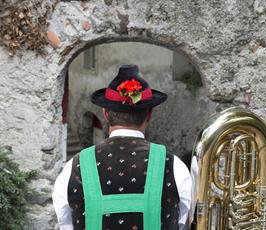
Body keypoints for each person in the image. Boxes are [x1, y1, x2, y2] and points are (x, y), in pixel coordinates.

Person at [52, 65, 192, 230]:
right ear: (149, 114)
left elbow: (66, 224)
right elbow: (182, 222)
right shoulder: (175, 167)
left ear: (105, 113)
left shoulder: (74, 168)